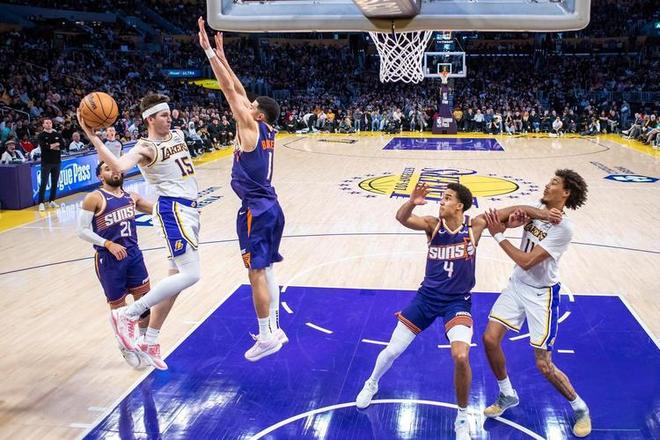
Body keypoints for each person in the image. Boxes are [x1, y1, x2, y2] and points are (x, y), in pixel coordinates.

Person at [355, 182, 561, 440]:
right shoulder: (432, 225)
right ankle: (371, 383)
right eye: (442, 197)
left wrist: (543, 214)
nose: (441, 201)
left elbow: (515, 209)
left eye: (447, 198)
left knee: (461, 356)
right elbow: (402, 218)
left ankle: (462, 418)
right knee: (393, 349)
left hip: (457, 302)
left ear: (459, 206)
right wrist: (411, 202)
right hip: (426, 299)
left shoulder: (475, 225)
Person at [77, 92, 201, 370]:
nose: (170, 118)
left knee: (176, 279)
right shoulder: (145, 147)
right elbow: (119, 165)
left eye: (169, 114)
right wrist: (93, 136)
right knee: (192, 274)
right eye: (164, 115)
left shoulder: (178, 134)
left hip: (189, 210)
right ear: (149, 119)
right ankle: (128, 314)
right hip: (173, 210)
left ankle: (150, 341)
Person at [198, 17, 286, 362]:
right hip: (271, 206)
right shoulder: (266, 130)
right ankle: (275, 328)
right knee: (268, 270)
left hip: (257, 210)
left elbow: (230, 91)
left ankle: (266, 336)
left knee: (255, 272)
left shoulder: (250, 128)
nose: (245, 108)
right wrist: (223, 56)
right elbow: (239, 90)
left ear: (258, 116)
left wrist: (208, 52)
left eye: (251, 108)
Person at [481, 169, 591, 438]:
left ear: (566, 193)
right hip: (517, 286)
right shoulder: (538, 209)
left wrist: (499, 235)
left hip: (542, 295)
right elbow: (506, 216)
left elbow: (527, 261)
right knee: (490, 339)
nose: (547, 185)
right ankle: (507, 394)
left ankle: (580, 408)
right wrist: (513, 222)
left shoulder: (564, 228)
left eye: (554, 183)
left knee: (543, 365)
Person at [76, 162, 154, 368]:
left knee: (144, 301)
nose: (114, 171)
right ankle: (124, 345)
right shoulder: (95, 197)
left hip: (134, 255)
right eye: (107, 169)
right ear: (100, 176)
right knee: (119, 307)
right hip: (109, 259)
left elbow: (157, 210)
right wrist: (108, 244)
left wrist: (183, 211)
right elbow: (82, 230)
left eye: (115, 168)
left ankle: (143, 342)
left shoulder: (132, 197)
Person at [37, 118, 64, 211]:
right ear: (43, 125)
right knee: (44, 183)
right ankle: (41, 202)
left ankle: (52, 200)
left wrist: (52, 146)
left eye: (50, 123)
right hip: (46, 162)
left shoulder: (57, 134)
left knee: (54, 182)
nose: (49, 124)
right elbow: (44, 147)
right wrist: (56, 145)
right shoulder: (41, 135)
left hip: (57, 161)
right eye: (47, 123)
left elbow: (63, 146)